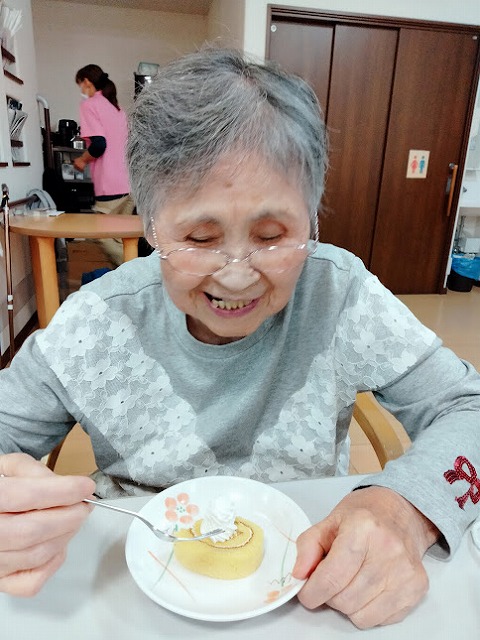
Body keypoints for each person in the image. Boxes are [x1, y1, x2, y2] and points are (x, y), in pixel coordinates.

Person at [0, 48, 479, 628]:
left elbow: (468, 407)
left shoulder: (339, 294)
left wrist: (406, 510)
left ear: (312, 220)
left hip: (314, 591)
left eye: (272, 236)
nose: (235, 276)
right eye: (200, 239)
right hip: (129, 592)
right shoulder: (98, 321)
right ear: (151, 226)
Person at [73, 64, 135, 266]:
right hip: (128, 184)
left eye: (80, 84)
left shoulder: (90, 105)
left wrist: (82, 160)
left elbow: (99, 145)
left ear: (86, 82)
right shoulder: (117, 109)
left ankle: (135, 273)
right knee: (120, 238)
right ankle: (131, 278)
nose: (81, 90)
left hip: (110, 186)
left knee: (102, 236)